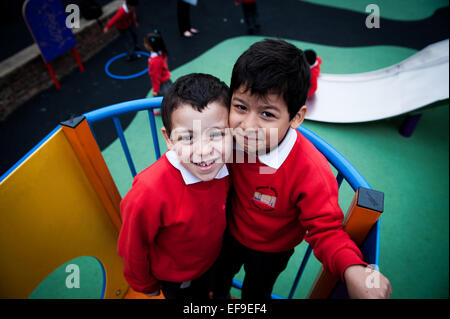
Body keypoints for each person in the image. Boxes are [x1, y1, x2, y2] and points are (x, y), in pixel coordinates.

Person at [213, 39, 392, 300]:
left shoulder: (309, 169)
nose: (247, 125)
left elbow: (326, 229)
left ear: (296, 117)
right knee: (215, 281)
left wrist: (353, 269)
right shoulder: (227, 137)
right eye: (241, 106)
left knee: (256, 294)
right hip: (228, 232)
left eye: (267, 114)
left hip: (271, 252)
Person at [118, 73, 232, 300]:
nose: (204, 150)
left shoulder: (230, 164)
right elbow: (133, 246)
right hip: (178, 278)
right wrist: (144, 284)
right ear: (168, 139)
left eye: (217, 134)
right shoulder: (148, 192)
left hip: (213, 259)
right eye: (187, 138)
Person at [144, 30, 172, 115]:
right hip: (166, 80)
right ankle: (166, 110)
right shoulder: (161, 53)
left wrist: (155, 90)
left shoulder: (155, 61)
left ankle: (164, 112)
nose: (144, 45)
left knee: (162, 99)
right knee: (168, 97)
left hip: (161, 84)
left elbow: (156, 76)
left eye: (146, 43)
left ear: (151, 46)